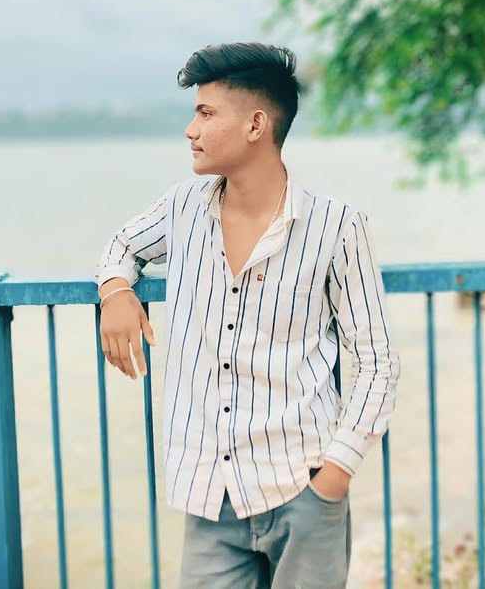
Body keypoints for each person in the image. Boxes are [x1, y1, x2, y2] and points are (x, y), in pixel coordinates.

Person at [95, 42, 399, 588]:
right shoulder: (182, 207)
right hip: (210, 495)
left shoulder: (336, 227)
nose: (190, 130)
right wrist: (116, 291)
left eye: (206, 113)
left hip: (304, 487)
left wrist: (336, 472)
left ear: (257, 124)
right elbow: (122, 246)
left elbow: (377, 362)